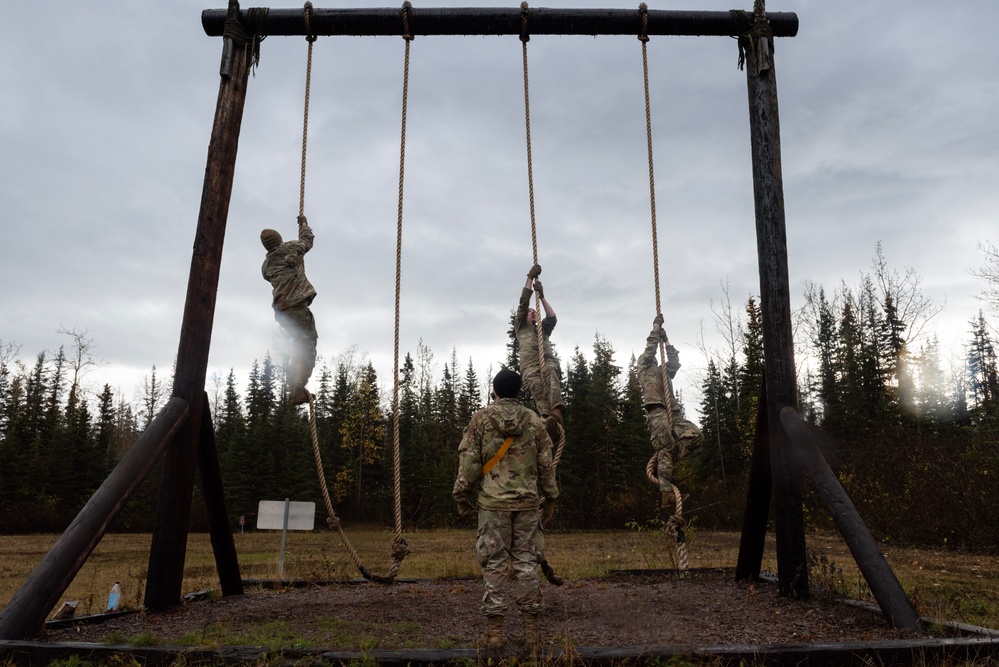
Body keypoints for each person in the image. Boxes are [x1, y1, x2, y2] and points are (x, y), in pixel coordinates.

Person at [452, 368, 559, 649]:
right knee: (526, 565)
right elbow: (546, 464)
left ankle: (495, 634)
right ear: (518, 391)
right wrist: (551, 497)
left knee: (494, 565)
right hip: (526, 505)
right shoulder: (534, 420)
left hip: (492, 506)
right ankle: (532, 633)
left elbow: (469, 463)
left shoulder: (482, 419)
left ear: (495, 391)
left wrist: (461, 496)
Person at [637, 314, 704, 509]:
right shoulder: (643, 366)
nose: (653, 357)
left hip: (673, 413)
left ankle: (669, 456)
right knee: (665, 447)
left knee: (696, 436)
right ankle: (666, 494)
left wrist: (667, 342)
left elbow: (674, 361)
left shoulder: (663, 371)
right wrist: (656, 327)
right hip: (657, 412)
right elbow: (649, 349)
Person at [261, 215, 318, 406]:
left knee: (298, 345)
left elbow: (269, 278)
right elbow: (307, 241)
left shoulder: (266, 265)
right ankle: (298, 389)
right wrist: (304, 224)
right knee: (308, 348)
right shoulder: (290, 249)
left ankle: (295, 382)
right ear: (279, 240)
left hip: (282, 313)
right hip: (296, 309)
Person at [513, 264, 565, 444]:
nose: (533, 313)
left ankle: (557, 412)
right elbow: (523, 303)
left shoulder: (543, 329)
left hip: (546, 363)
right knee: (537, 389)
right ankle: (548, 422)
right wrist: (529, 278)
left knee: (550, 371)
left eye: (535, 312)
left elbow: (552, 317)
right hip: (530, 367)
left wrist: (542, 297)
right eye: (531, 312)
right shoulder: (521, 327)